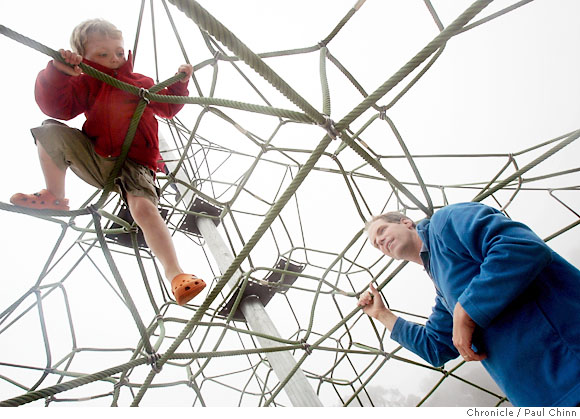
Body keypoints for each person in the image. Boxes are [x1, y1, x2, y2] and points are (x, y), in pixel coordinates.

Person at [9, 19, 205, 306]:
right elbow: (57, 107)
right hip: (99, 157)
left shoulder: (142, 84)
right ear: (84, 57)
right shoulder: (85, 81)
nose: (114, 59)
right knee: (49, 130)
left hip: (137, 163)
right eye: (102, 54)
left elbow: (168, 107)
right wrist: (61, 71)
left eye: (118, 52)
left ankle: (176, 274)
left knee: (144, 210)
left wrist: (181, 82)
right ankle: (55, 194)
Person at [357, 202, 580, 407]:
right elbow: (436, 348)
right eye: (376, 244)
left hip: (570, 371)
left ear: (406, 222)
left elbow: (520, 246)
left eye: (382, 230)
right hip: (541, 398)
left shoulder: (445, 223)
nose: (380, 241)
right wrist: (381, 314)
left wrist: (466, 312)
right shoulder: (442, 285)